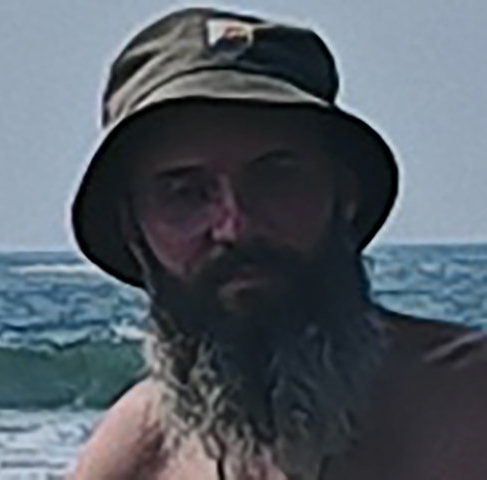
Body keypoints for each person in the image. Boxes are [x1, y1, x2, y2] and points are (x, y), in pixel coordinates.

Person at [67, 7, 487, 480]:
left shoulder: (470, 406)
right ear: (133, 228)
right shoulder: (140, 454)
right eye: (186, 193)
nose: (235, 227)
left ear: (343, 195)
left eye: (276, 178)